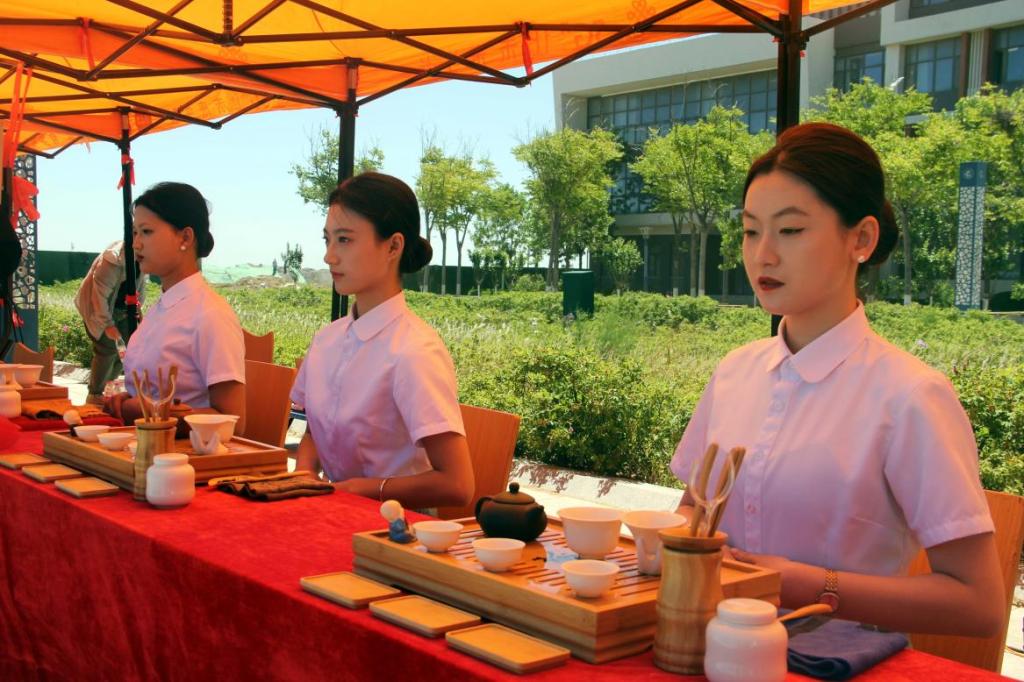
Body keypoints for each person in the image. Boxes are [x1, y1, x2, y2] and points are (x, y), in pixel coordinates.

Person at [672, 123, 1003, 637]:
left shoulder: (910, 396)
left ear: (861, 239)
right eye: (751, 231)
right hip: (708, 647)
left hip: (835, 663)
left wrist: (802, 584)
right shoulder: (735, 371)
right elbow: (694, 512)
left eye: (790, 230)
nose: (762, 254)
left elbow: (978, 604)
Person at [290, 172, 474, 511]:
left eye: (344, 240)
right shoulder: (326, 341)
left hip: (396, 528)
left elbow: (458, 485)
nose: (329, 256)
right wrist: (304, 473)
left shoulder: (414, 351)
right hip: (332, 511)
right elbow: (315, 432)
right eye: (327, 240)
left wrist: (364, 489)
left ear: (393, 246)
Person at [106, 182, 246, 432]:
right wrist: (129, 401)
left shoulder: (210, 315)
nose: (136, 244)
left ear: (185, 237)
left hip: (183, 453)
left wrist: (145, 411)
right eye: (135, 232)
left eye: (146, 232)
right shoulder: (162, 307)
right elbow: (153, 391)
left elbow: (232, 420)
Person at [74, 240, 145, 404]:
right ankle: (95, 395)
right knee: (107, 349)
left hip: (123, 310)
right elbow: (99, 297)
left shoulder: (144, 257)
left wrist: (138, 309)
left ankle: (107, 390)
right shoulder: (111, 260)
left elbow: (139, 287)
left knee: (126, 352)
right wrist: (108, 325)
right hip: (100, 309)